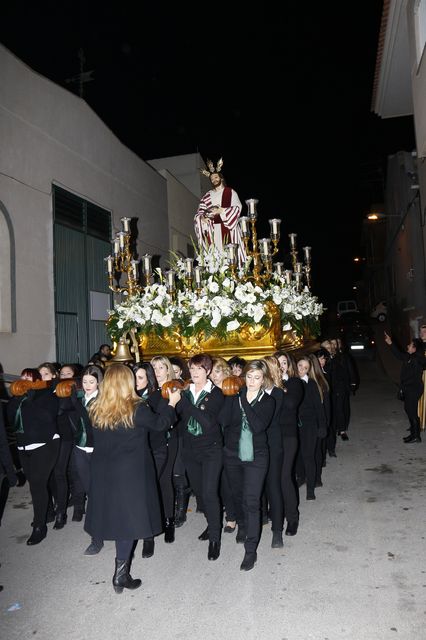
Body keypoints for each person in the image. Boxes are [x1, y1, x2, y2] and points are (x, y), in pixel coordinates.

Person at [84, 364, 181, 593]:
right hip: (130, 473)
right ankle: (120, 575)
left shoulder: (96, 406)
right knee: (127, 524)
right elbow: (161, 425)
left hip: (103, 471)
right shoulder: (136, 407)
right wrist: (172, 403)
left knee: (117, 520)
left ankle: (121, 573)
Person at [220, 360, 275, 571]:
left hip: (257, 456)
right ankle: (242, 526)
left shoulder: (268, 401)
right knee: (237, 496)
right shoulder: (235, 396)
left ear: (264, 379)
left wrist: (244, 400)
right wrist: (231, 398)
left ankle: (250, 551)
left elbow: (258, 427)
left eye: (257, 378)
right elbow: (224, 421)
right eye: (249, 377)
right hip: (233, 454)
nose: (252, 382)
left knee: (252, 501)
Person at [175, 353, 225, 561]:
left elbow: (208, 422)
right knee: (201, 494)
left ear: (208, 371)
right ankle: (211, 523)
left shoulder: (217, 394)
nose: (194, 373)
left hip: (211, 450)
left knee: (210, 492)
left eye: (199, 369)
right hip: (190, 450)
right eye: (192, 369)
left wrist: (185, 404)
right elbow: (178, 419)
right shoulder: (184, 393)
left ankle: (215, 537)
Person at [195, 158, 246, 264]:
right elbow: (200, 211)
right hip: (212, 230)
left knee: (230, 258)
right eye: (212, 179)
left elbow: (237, 207)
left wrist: (222, 211)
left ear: (221, 178)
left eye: (216, 177)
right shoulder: (207, 196)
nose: (214, 180)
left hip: (229, 228)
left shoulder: (230, 192)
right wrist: (202, 218)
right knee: (215, 258)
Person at [384, 331, 424, 443]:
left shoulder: (416, 360)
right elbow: (399, 355)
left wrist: (404, 386)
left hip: (413, 389)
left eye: (410, 345)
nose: (407, 346)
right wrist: (390, 342)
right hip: (409, 388)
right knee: (408, 410)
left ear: (414, 349)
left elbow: (413, 377)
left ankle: (416, 436)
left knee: (411, 411)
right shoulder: (410, 357)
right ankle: (414, 433)